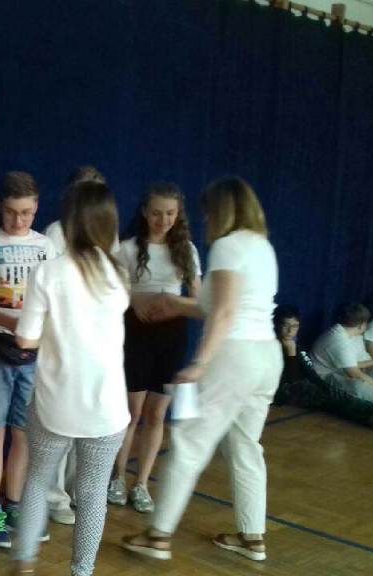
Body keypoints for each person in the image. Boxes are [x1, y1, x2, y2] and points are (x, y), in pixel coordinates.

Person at [122, 176, 281, 562]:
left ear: (222, 210)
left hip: (234, 358)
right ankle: (252, 537)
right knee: (246, 445)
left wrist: (200, 363)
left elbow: (225, 313)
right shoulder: (261, 246)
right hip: (267, 356)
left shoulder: (228, 246)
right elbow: (221, 305)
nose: (206, 219)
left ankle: (158, 536)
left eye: (209, 212)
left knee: (189, 444)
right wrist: (177, 305)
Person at [13, 181, 130, 576]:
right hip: (107, 407)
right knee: (93, 494)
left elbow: (25, 338)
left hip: (56, 404)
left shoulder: (50, 272)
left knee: (37, 481)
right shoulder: (118, 273)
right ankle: (82, 571)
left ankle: (24, 563)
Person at [0, 171, 52, 548]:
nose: (19, 221)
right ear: (0, 207)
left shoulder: (47, 246)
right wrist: (14, 323)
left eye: (27, 213)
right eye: (12, 212)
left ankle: (14, 503)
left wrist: (36, 330)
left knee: (23, 432)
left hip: (33, 354)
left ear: (37, 209)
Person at [108, 183, 201, 514]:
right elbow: (112, 294)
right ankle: (118, 478)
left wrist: (173, 304)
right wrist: (136, 299)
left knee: (157, 413)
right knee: (130, 412)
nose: (164, 220)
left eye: (170, 213)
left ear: (179, 214)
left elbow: (199, 300)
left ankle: (142, 483)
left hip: (172, 336)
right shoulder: (128, 248)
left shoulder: (187, 250)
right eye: (157, 213)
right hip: (136, 332)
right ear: (145, 213)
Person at [272, 306, 373, 433]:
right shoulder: (273, 346)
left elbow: (310, 372)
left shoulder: (296, 346)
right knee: (335, 399)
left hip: (304, 384)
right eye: (286, 325)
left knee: (333, 395)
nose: (290, 331)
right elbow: (291, 379)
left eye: (295, 326)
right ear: (277, 325)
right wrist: (291, 353)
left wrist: (323, 386)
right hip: (284, 390)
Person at [311, 303, 373, 408]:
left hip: (341, 370)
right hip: (326, 377)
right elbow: (355, 374)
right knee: (359, 386)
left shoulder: (343, 332)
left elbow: (351, 364)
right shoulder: (339, 341)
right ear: (362, 325)